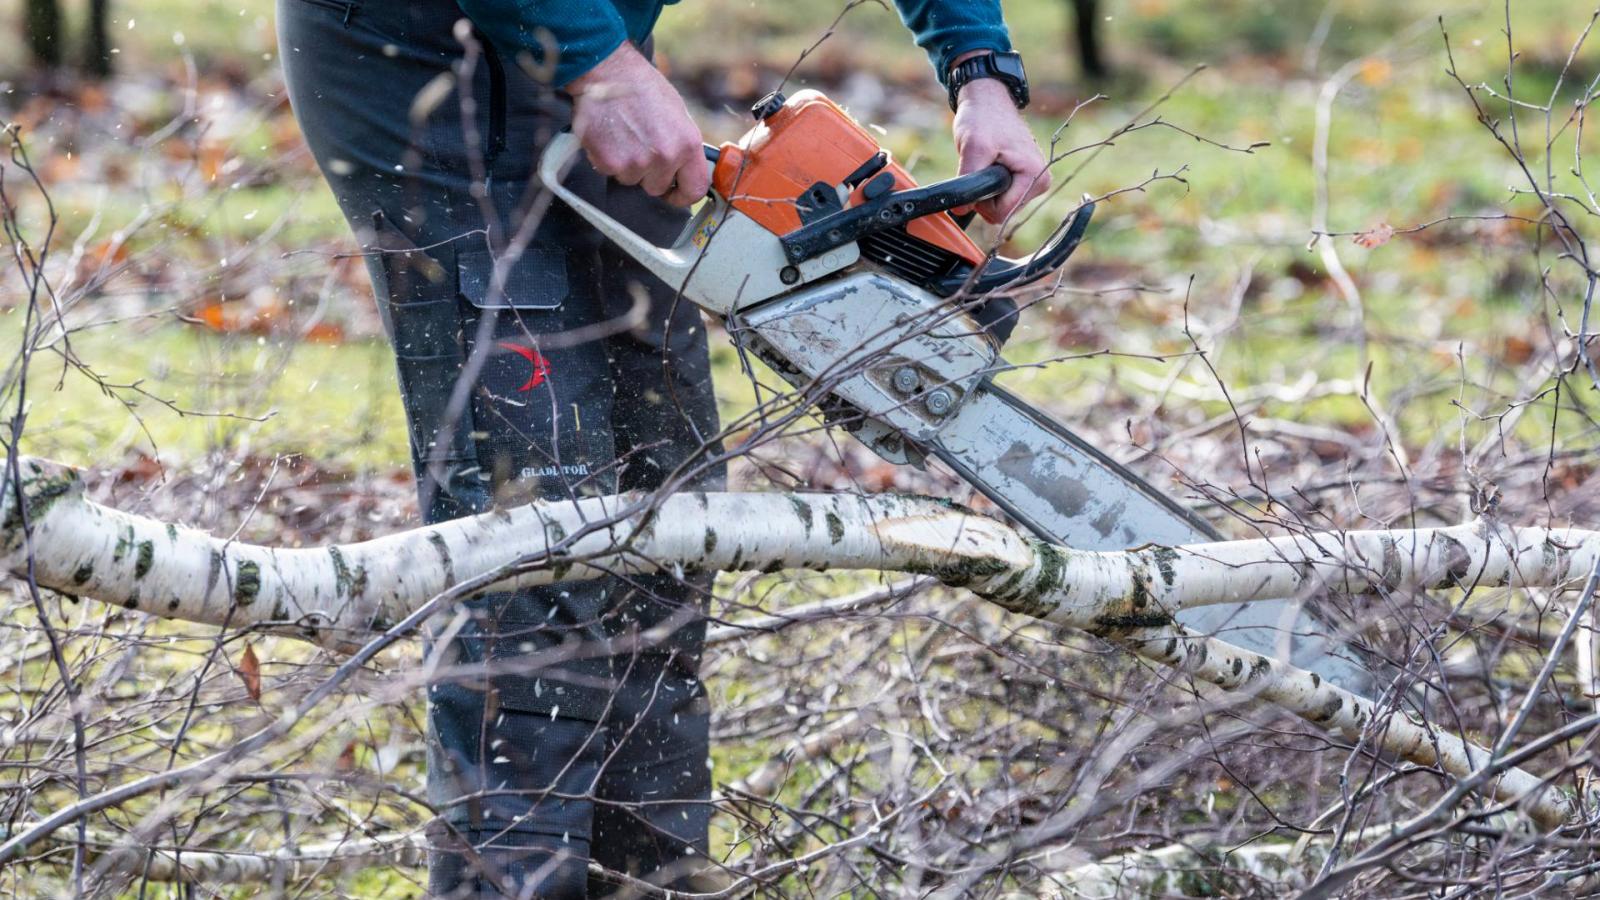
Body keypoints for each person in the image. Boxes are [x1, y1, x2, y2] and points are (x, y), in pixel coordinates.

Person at [275, 1, 1050, 895]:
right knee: (536, 553)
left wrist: (979, 69)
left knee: (665, 522)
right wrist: (593, 63)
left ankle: (653, 881)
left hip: (598, 41)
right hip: (424, 51)